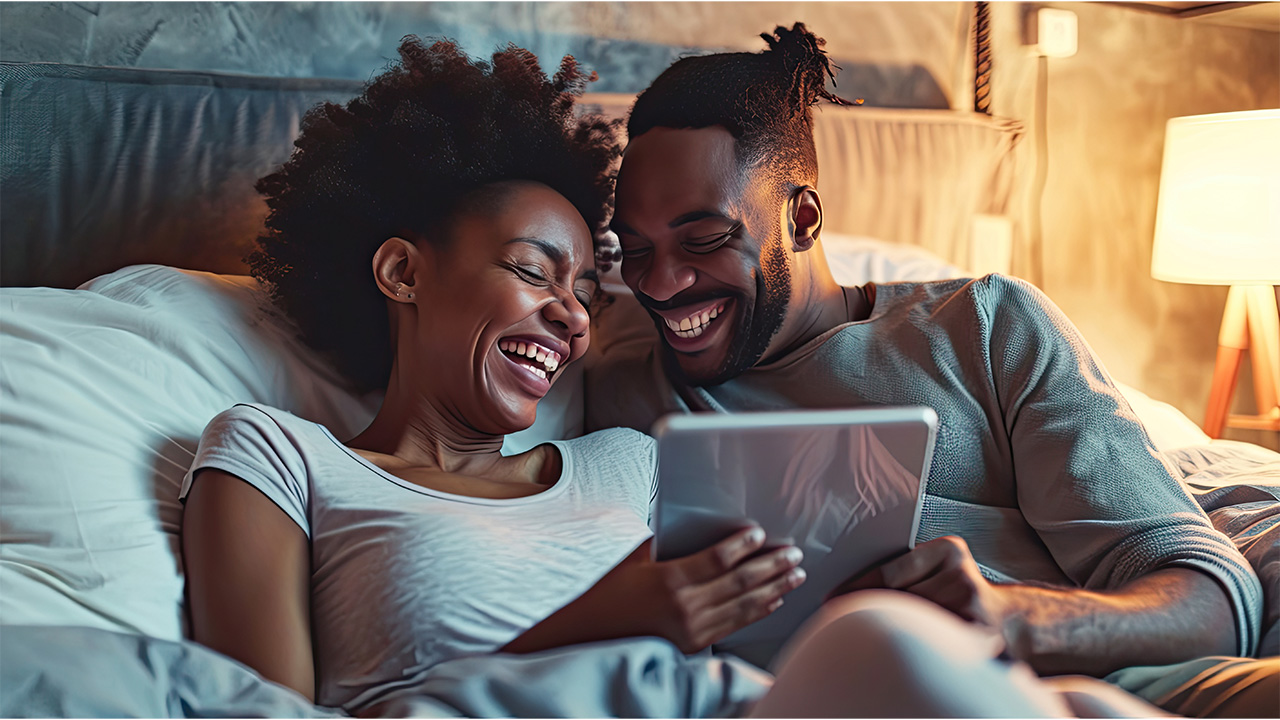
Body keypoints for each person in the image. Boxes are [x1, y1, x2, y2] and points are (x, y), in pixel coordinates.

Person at [181, 34, 1170, 719]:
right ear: (401, 271)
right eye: (534, 271)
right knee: (892, 651)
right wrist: (598, 623)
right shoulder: (278, 453)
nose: (582, 309)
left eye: (583, 284)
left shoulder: (635, 452)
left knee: (1068, 698)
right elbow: (264, 710)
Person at [587, 21, 1277, 717]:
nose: (662, 284)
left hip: (1138, 690)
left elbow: (1215, 598)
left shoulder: (986, 325)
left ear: (802, 219)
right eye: (635, 250)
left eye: (704, 239)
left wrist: (1013, 618)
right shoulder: (622, 394)